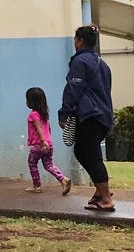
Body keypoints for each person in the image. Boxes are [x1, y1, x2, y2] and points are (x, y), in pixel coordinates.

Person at [59, 24, 115, 212]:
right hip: (102, 115)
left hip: (91, 115)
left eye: (76, 39)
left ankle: (106, 197)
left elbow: (74, 88)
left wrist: (65, 112)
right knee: (84, 152)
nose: (74, 42)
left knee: (90, 153)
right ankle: (100, 191)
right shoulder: (102, 64)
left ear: (80, 41)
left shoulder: (80, 62)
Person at [25, 86, 71, 195]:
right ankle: (63, 179)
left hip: (39, 145)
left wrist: (42, 141)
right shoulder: (44, 114)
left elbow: (39, 129)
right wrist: (47, 141)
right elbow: (48, 128)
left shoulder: (33, 115)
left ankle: (37, 186)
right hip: (49, 143)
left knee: (32, 163)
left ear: (31, 102)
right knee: (49, 165)